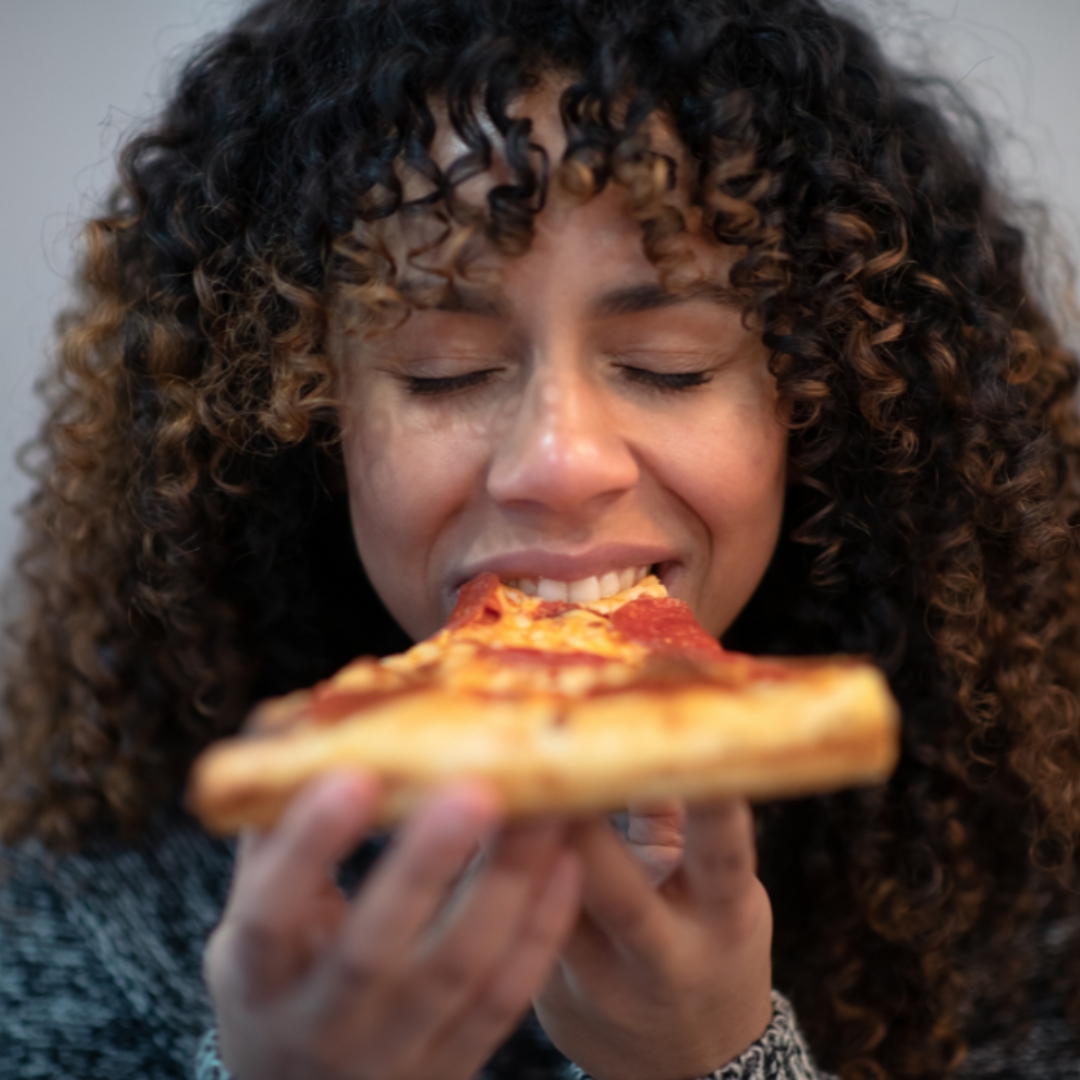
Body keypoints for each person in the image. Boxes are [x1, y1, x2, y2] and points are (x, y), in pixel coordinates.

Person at [3, 0, 1080, 1077]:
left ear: (821, 403)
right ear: (304, 416)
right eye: (445, 372)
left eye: (671, 363)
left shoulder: (1035, 916)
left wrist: (718, 1061)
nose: (559, 464)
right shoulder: (64, 929)